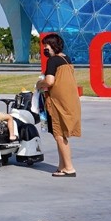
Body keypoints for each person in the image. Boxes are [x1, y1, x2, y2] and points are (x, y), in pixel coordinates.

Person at [36, 34, 81, 177]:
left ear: (53, 46)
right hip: (70, 102)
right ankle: (62, 166)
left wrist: (39, 84)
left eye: (46, 46)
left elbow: (49, 81)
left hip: (57, 103)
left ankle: (69, 168)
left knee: (59, 135)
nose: (44, 49)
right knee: (61, 134)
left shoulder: (53, 61)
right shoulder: (65, 59)